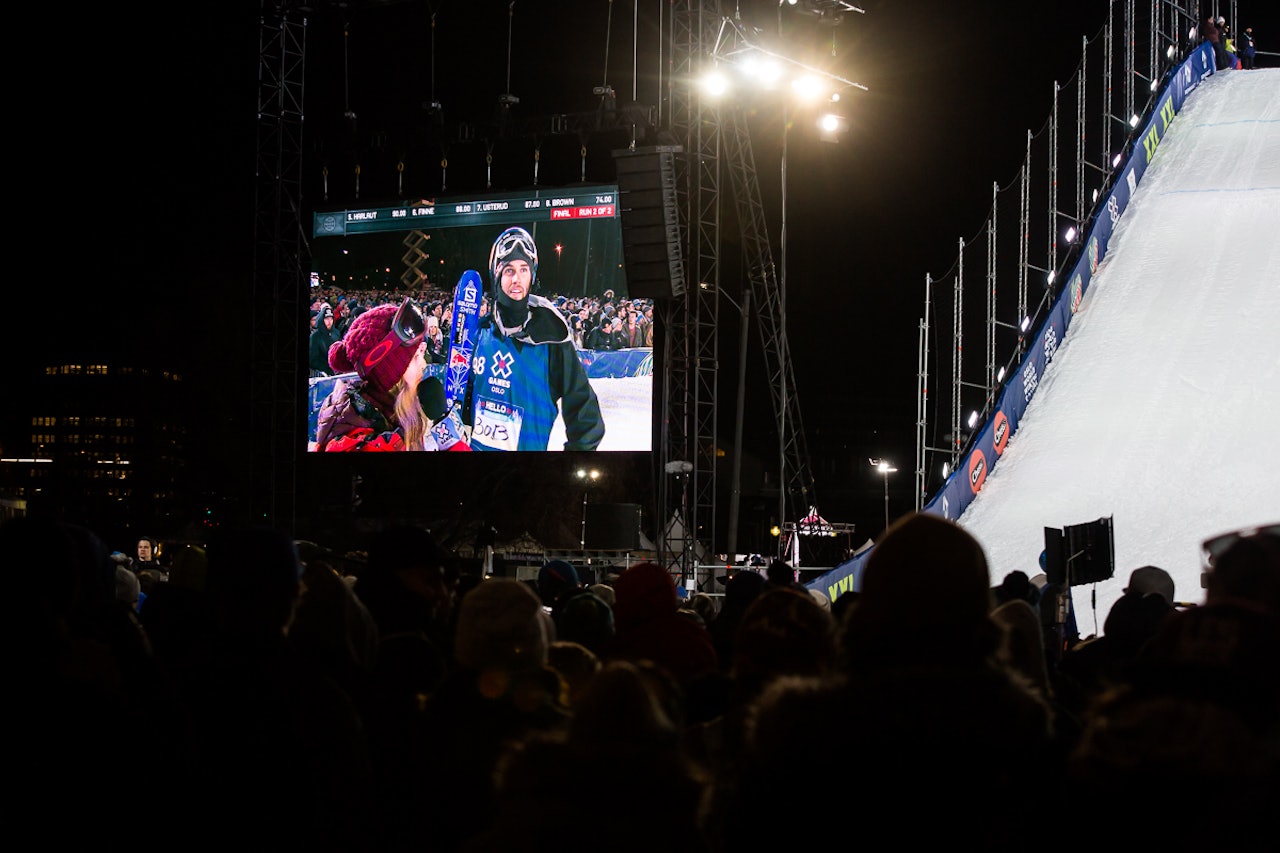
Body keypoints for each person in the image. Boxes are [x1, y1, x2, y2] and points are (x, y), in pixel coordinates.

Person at [464, 226, 605, 451]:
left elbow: (587, 420)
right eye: (509, 270)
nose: (517, 279)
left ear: (532, 276)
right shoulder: (480, 333)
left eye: (523, 270)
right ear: (497, 274)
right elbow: (464, 406)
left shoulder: (552, 339)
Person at [309, 303, 341, 377]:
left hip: (337, 371)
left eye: (331, 318)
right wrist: (325, 369)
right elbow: (313, 359)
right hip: (323, 373)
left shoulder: (336, 333)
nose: (329, 321)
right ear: (321, 320)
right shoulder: (315, 336)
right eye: (326, 318)